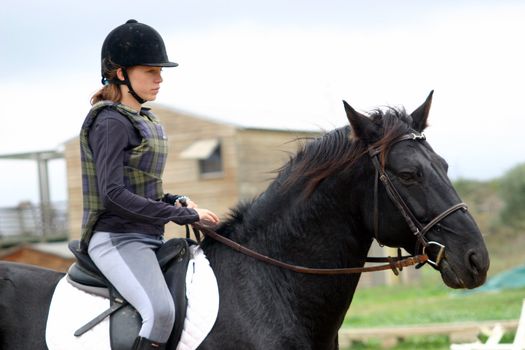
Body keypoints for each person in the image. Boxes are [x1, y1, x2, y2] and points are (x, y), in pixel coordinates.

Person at [79, 19, 220, 350]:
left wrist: (176, 201)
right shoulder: (110, 122)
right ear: (120, 73)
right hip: (116, 238)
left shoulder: (144, 118)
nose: (160, 78)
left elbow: (144, 190)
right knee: (160, 312)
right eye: (150, 71)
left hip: (147, 236)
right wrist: (179, 216)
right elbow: (113, 195)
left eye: (160, 71)